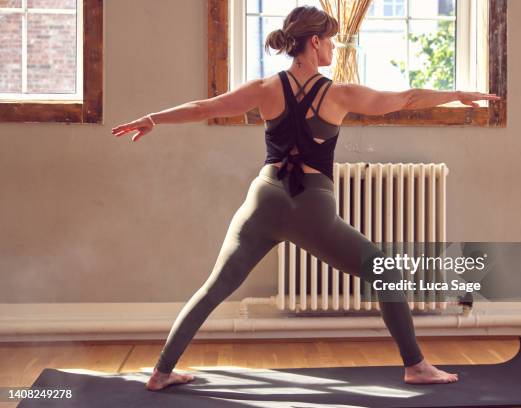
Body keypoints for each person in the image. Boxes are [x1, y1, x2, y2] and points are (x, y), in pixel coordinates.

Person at [111, 5, 500, 392]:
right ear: (315, 42)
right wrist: (456, 94)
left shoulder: (264, 88)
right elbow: (407, 98)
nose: (333, 47)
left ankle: (161, 372)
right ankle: (415, 366)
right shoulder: (340, 94)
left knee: (215, 287)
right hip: (311, 205)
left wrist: (152, 119)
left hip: (264, 199)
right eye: (329, 39)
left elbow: (204, 108)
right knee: (385, 272)